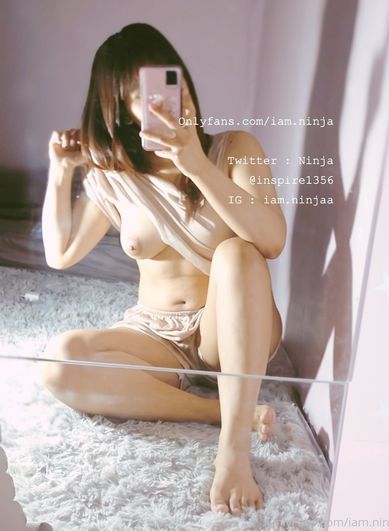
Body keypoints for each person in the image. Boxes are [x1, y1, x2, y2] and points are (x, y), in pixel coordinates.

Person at [40, 23, 286, 516]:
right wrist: (61, 172)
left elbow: (272, 242)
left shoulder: (235, 149)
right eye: (144, 92)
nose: (168, 99)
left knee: (237, 253)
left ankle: (234, 451)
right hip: (155, 335)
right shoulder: (117, 178)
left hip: (228, 332)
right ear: (121, 109)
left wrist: (196, 164)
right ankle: (219, 412)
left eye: (170, 78)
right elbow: (60, 254)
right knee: (59, 361)